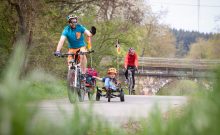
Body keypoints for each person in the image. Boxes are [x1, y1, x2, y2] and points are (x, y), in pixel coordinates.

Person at [54, 14, 96, 80]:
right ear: (69, 22)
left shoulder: (80, 27)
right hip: (72, 49)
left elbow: (89, 34)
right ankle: (71, 82)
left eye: (75, 21)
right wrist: (58, 50)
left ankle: (83, 73)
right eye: (72, 21)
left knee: (82, 54)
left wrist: (92, 33)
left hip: (81, 47)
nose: (74, 23)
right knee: (70, 65)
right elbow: (61, 40)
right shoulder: (66, 30)